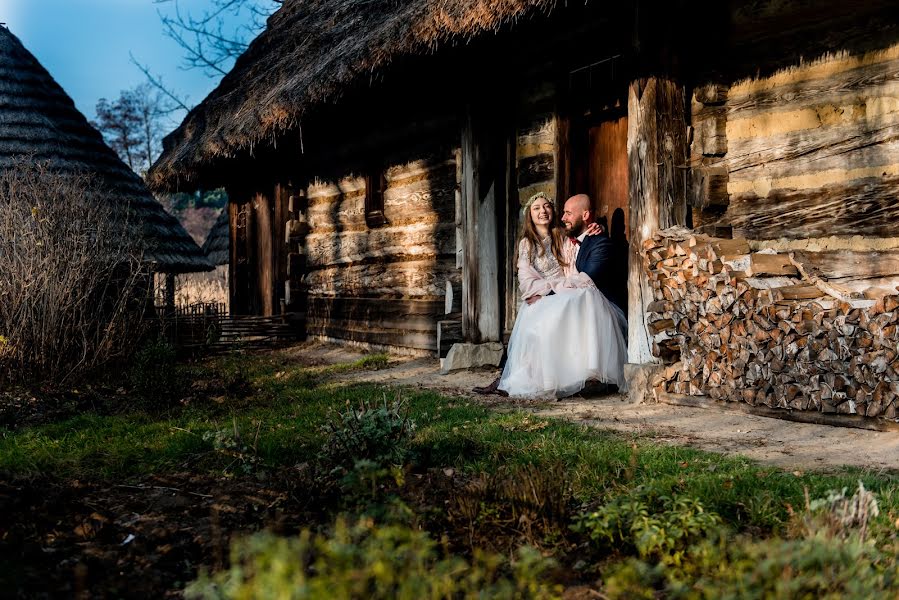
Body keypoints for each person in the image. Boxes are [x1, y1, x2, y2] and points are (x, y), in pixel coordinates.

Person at [477, 192, 627, 399]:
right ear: (529, 214)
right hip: (544, 295)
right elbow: (527, 282)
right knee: (536, 319)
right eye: (536, 208)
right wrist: (549, 289)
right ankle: (514, 377)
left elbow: (581, 249)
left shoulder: (563, 236)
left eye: (546, 206)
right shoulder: (527, 244)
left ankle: (572, 376)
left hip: (563, 294)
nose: (543, 211)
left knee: (567, 309)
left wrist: (598, 227)